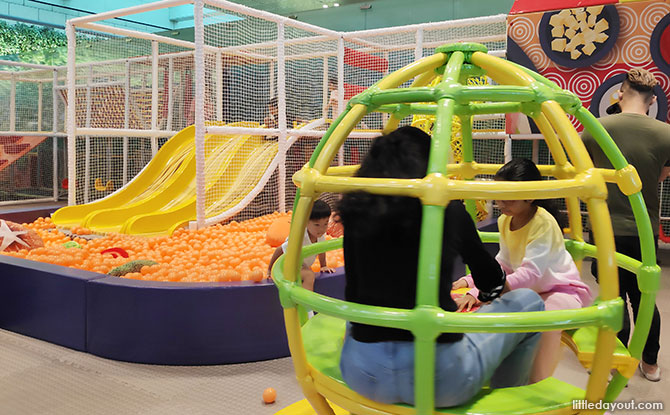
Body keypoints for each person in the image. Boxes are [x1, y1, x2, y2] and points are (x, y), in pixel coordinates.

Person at [337, 126, 544, 408]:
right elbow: (491, 282)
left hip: (362, 373)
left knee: (360, 311)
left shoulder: (355, 211)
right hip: (440, 380)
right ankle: (507, 402)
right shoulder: (448, 210)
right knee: (529, 302)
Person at [453, 158, 593, 383]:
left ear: (529, 195)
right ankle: (499, 374)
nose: (500, 201)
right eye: (499, 193)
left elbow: (531, 273)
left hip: (560, 291)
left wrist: (483, 291)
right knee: (495, 312)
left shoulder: (543, 223)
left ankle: (538, 384)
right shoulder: (505, 220)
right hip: (531, 291)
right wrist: (472, 281)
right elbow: (504, 263)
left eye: (508, 195)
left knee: (545, 321)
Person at [581, 68, 670, 382]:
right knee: (644, 298)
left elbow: (584, 174)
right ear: (652, 99)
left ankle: (613, 358)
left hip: (605, 230)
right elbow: (660, 175)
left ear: (620, 93)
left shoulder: (595, 130)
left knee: (612, 297)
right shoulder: (665, 134)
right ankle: (649, 363)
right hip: (643, 232)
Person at [267, 199, 335, 291]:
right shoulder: (300, 237)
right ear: (306, 222)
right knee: (309, 275)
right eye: (317, 225)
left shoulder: (321, 235)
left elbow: (321, 249)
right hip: (287, 266)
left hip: (301, 265)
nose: (321, 229)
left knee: (308, 271)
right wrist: (270, 270)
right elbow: (279, 249)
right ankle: (306, 303)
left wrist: (323, 265)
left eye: (325, 224)